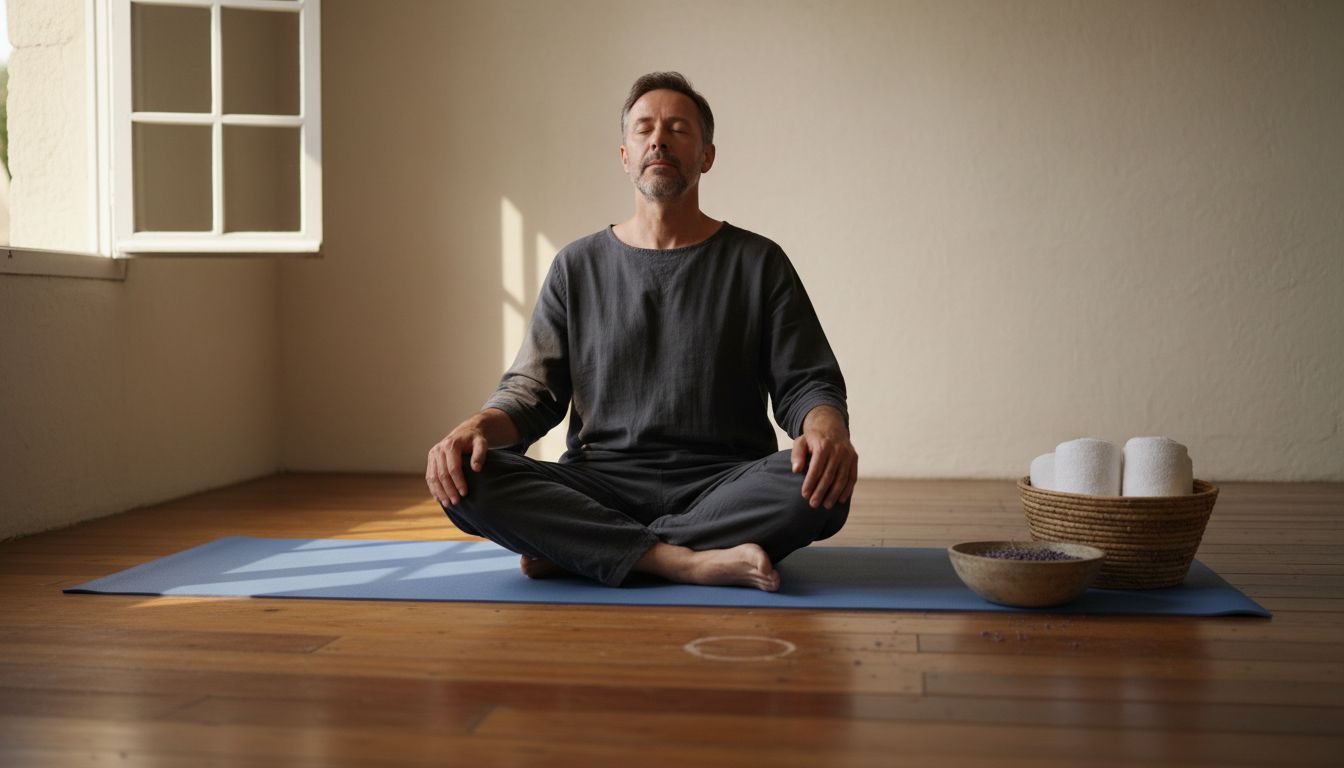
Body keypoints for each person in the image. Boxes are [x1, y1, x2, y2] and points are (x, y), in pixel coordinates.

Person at [426, 72, 857, 592]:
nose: (659, 139)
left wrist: (827, 433)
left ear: (707, 156)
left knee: (816, 483)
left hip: (722, 484)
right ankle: (682, 561)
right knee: (466, 476)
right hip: (598, 482)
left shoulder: (758, 262)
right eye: (644, 129)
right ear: (626, 156)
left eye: (678, 128)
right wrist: (472, 429)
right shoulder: (576, 266)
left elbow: (807, 381)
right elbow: (531, 392)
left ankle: (588, 549)